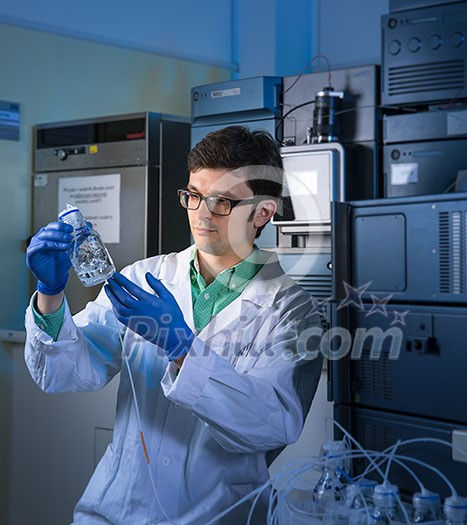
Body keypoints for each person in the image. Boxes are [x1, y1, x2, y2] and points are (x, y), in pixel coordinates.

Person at [24, 125, 323, 524]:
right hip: (116, 510)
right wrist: (50, 293)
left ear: (263, 213)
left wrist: (182, 348)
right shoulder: (146, 276)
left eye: (222, 202)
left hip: (216, 513)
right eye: (194, 196)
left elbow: (273, 424)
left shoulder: (291, 309)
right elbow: (63, 372)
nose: (201, 213)